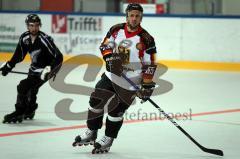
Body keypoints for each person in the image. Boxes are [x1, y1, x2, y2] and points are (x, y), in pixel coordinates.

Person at [72, 3, 157, 154]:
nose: (134, 18)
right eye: (132, 15)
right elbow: (105, 46)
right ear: (127, 16)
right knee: (96, 101)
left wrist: (147, 86)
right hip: (111, 76)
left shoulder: (147, 39)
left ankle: (108, 138)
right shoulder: (116, 29)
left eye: (137, 16)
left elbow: (150, 64)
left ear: (141, 17)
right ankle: (92, 131)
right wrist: (110, 59)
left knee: (116, 111)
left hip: (131, 83)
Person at [0, 14, 63, 124]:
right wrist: (8, 66)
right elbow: (18, 55)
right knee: (32, 89)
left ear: (40, 26)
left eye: (37, 25)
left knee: (23, 86)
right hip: (34, 69)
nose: (34, 28)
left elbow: (59, 57)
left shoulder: (44, 40)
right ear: (27, 26)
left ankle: (19, 111)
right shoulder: (24, 38)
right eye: (31, 25)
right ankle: (29, 110)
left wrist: (49, 69)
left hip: (45, 71)